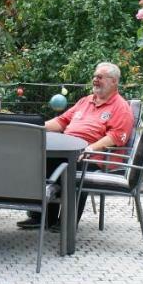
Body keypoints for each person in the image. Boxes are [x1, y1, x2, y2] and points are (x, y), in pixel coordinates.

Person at [18, 62, 134, 233]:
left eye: (100, 77)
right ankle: (43, 218)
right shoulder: (85, 101)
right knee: (41, 161)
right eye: (94, 76)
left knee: (73, 167)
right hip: (66, 148)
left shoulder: (120, 107)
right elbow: (61, 121)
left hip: (93, 156)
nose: (95, 80)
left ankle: (67, 221)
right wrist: (35, 128)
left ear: (114, 81)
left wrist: (91, 149)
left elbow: (115, 137)